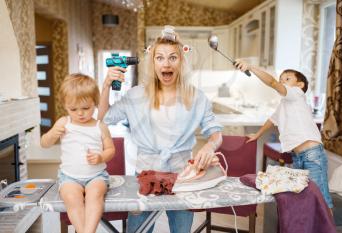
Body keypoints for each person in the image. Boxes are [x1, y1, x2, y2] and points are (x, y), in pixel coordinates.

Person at [98, 25, 223, 233]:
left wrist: (210, 146)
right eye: (160, 58)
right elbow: (103, 118)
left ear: (181, 61)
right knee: (138, 230)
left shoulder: (196, 97)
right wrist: (105, 86)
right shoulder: (137, 95)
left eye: (173, 57)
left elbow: (215, 132)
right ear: (152, 62)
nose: (166, 63)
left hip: (183, 176)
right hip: (145, 175)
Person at [235, 60, 333, 210]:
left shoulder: (296, 94)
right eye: (282, 80)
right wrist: (257, 135)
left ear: (300, 85)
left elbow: (273, 83)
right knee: (306, 201)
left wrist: (251, 67)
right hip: (298, 157)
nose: (282, 82)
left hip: (312, 155)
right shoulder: (284, 104)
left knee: (321, 200)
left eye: (287, 79)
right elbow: (272, 120)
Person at [41, 74, 115, 233]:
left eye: (86, 108)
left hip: (96, 176)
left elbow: (111, 150)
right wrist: (53, 133)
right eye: (73, 109)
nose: (80, 113)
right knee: (71, 198)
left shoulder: (99, 126)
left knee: (95, 195)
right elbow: (44, 143)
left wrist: (101, 157)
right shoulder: (63, 123)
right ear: (65, 106)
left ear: (95, 103)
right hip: (69, 177)